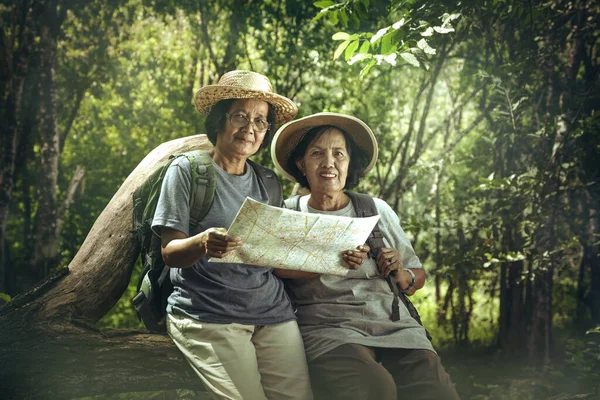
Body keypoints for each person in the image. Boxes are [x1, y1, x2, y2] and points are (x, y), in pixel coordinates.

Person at [270, 112, 460, 400]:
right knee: (375, 390)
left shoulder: (375, 210)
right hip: (329, 329)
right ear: (302, 164)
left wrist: (401, 272)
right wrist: (332, 260)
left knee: (435, 390)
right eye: (317, 153)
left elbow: (416, 276)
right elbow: (272, 268)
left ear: (349, 163)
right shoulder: (290, 213)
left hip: (395, 325)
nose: (329, 163)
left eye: (339, 154)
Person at [151, 70, 313, 400]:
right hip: (209, 315)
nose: (249, 128)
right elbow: (169, 252)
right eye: (240, 116)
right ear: (219, 120)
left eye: (260, 121)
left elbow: (275, 261)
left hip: (273, 314)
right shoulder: (187, 171)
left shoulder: (268, 181)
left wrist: (332, 256)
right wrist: (201, 242)